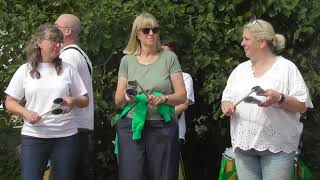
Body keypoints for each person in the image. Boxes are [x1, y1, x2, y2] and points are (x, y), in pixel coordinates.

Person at [220, 19, 313, 180]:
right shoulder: (239, 70)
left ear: (262, 42)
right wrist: (226, 105)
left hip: (277, 148)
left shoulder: (286, 68)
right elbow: (226, 98)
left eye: (247, 39)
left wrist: (280, 98)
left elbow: (302, 105)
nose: (242, 43)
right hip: (243, 148)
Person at [4, 24, 89, 180]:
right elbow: (9, 102)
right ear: (40, 42)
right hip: (33, 137)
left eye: (59, 41)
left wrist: (73, 100)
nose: (57, 45)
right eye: (53, 40)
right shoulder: (25, 70)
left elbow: (85, 100)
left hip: (66, 137)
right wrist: (26, 113)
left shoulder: (68, 69)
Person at [114, 12, 186, 180]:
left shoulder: (169, 58)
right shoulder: (127, 61)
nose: (151, 34)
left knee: (164, 175)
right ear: (137, 34)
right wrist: (127, 96)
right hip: (132, 126)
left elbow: (182, 96)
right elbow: (118, 100)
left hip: (162, 125)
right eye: (146, 30)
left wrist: (164, 99)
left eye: (155, 29)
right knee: (132, 175)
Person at [54, 14, 94, 180]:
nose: (51, 30)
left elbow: (60, 91)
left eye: (56, 26)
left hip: (69, 127)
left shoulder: (68, 56)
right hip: (81, 125)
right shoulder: (81, 55)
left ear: (67, 31)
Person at [161, 40, 195, 180]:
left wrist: (159, 117)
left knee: (170, 173)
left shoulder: (185, 77)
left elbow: (184, 103)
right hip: (150, 132)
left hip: (173, 134)